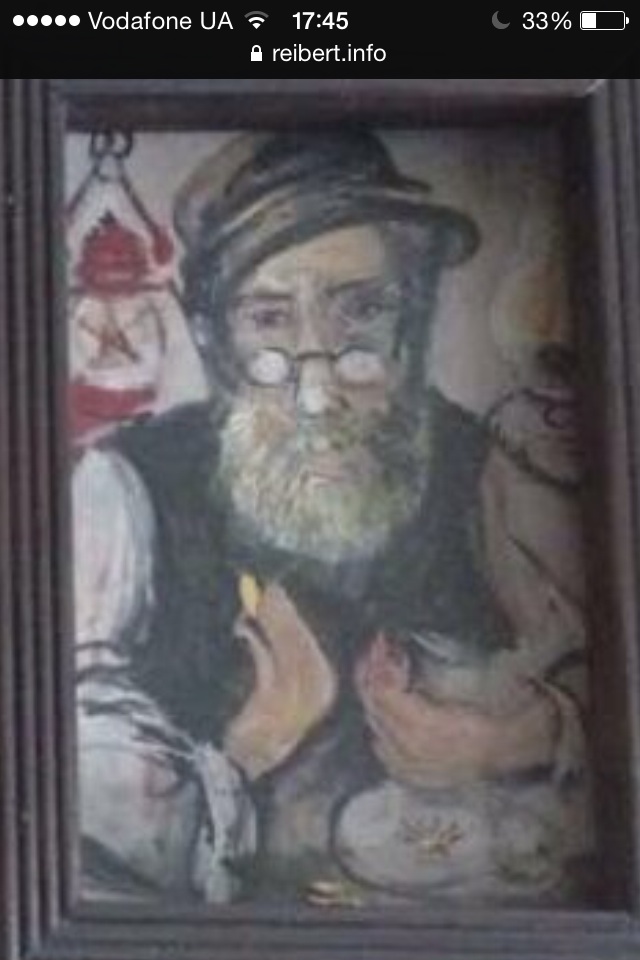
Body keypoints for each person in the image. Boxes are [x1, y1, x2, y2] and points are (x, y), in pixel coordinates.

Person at [73, 132, 591, 905]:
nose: (319, 396)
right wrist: (253, 743)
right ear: (213, 340)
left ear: (412, 323)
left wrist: (511, 738)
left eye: (363, 313)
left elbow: (596, 660)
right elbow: (75, 795)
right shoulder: (124, 487)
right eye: (270, 323)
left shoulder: (479, 465)